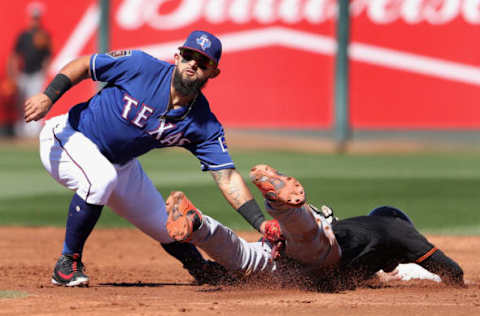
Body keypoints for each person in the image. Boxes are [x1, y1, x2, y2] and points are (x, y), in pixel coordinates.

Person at [24, 30, 271, 287]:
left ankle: (199, 268)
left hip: (121, 164)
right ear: (177, 56)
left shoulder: (202, 123)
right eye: (189, 55)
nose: (193, 63)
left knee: (167, 226)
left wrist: (261, 223)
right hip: (68, 137)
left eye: (203, 61)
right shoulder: (140, 66)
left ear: (213, 72)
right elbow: (85, 65)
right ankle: (67, 263)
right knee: (99, 179)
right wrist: (48, 96)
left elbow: (228, 177)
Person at [164, 164, 465, 291]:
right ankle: (281, 203)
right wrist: (457, 287)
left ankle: (200, 225)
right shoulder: (398, 231)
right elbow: (452, 271)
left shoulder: (369, 240)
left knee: (244, 257)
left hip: (288, 260)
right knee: (309, 238)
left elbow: (395, 271)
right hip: (318, 247)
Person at [9, 2, 51, 138]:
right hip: (23, 74)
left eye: (36, 18)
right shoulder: (23, 36)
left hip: (37, 74)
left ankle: (33, 132)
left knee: (36, 102)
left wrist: (44, 73)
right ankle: (21, 130)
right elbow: (15, 56)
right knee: (21, 102)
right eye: (33, 17)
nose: (35, 20)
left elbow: (47, 56)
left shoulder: (44, 35)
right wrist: (13, 75)